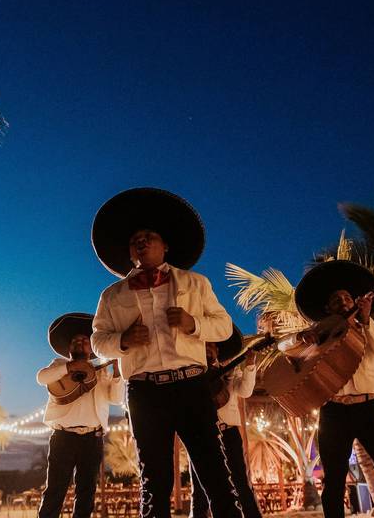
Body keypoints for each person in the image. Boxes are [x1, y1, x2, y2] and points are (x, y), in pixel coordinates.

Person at [90, 187, 244, 518]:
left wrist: (193, 324)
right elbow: (97, 341)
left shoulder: (196, 283)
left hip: (192, 386)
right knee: (154, 482)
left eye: (149, 237)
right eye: (135, 240)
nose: (141, 243)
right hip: (144, 391)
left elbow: (224, 327)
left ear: (165, 246)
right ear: (129, 251)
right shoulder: (112, 295)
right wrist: (123, 341)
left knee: (216, 476)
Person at [285, 260, 374, 518]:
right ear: (327, 308)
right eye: (336, 299)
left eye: (347, 297)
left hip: (369, 408)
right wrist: (299, 338)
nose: (343, 301)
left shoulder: (368, 328)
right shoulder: (319, 335)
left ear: (356, 301)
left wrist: (367, 318)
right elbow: (285, 350)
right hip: (334, 411)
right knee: (334, 481)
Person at [36, 312, 124, 518]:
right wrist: (69, 367)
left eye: (85, 340)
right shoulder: (58, 365)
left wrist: (118, 374)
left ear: (91, 347)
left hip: (93, 439)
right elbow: (41, 378)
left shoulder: (101, 371)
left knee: (86, 493)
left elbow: (116, 398)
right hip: (63, 437)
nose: (80, 343)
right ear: (69, 347)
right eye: (76, 341)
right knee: (55, 490)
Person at [190, 326, 262, 518]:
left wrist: (249, 365)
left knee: (240, 482)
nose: (208, 348)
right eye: (203, 344)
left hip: (228, 433)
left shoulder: (230, 371)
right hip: (200, 433)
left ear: (217, 351)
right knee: (199, 488)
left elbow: (245, 391)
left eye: (212, 345)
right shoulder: (191, 375)